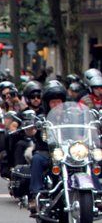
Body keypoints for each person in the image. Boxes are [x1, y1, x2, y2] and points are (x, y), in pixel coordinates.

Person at [28, 81, 68, 213]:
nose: (56, 105)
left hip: (68, 153)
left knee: (90, 159)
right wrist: (34, 128)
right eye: (53, 102)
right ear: (47, 104)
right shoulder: (42, 118)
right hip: (48, 152)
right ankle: (36, 196)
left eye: (59, 102)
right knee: (37, 159)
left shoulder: (70, 117)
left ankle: (97, 193)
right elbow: (33, 132)